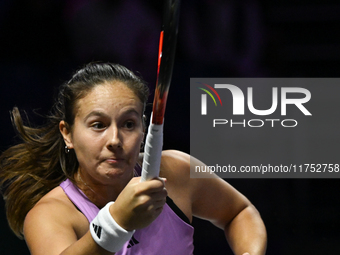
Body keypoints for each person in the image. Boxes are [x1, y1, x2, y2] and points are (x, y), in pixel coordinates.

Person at [0, 62, 266, 255]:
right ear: (67, 134)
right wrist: (117, 222)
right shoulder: (51, 215)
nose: (115, 140)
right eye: (97, 125)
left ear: (144, 128)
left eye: (128, 124)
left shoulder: (176, 172)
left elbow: (239, 212)